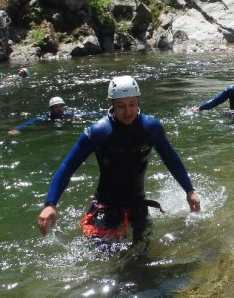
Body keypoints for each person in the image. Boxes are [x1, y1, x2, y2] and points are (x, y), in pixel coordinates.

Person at [38, 76, 201, 243]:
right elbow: (68, 165)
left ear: (138, 101)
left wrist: (189, 191)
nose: (128, 111)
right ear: (112, 104)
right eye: (121, 106)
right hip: (105, 206)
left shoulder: (151, 128)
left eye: (132, 104)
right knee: (104, 258)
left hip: (138, 204)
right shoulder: (98, 131)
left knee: (141, 258)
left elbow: (170, 158)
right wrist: (50, 203)